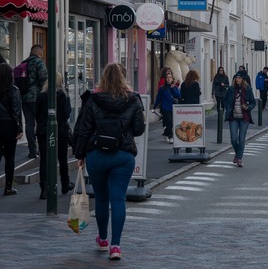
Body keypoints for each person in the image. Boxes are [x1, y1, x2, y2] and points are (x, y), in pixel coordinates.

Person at [73, 63, 145, 260]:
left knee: (102, 198)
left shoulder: (93, 98)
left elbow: (84, 128)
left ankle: (103, 239)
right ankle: (116, 246)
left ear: (103, 77)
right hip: (123, 154)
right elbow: (139, 129)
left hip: (97, 154)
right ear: (124, 77)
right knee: (118, 199)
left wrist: (80, 154)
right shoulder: (133, 99)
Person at [35, 72, 73, 199]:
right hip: (60, 131)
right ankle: (65, 183)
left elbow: (37, 113)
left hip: (43, 131)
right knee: (62, 159)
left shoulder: (41, 96)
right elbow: (67, 114)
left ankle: (44, 188)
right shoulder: (63, 96)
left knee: (44, 160)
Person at [222, 73, 256, 167]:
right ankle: (238, 154)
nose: (237, 80)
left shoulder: (247, 89)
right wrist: (228, 108)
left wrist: (247, 107)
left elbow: (253, 102)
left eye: (239, 78)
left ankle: (239, 158)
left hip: (244, 117)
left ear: (243, 79)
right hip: (233, 117)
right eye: (236, 78)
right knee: (233, 139)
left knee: (241, 139)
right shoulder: (231, 89)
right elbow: (224, 99)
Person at [19, 45, 47, 159]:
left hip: (24, 98)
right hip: (37, 99)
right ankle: (41, 150)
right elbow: (44, 80)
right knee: (41, 124)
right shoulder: (39, 62)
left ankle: (32, 151)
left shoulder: (23, 63)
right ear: (40, 53)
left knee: (29, 124)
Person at [0, 63, 23, 196]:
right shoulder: (13, 90)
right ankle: (8, 187)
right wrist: (19, 128)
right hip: (9, 126)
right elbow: (16, 111)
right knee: (10, 157)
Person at [153, 71, 181, 144]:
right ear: (165, 79)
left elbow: (178, 95)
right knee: (170, 122)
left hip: (173, 107)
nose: (169, 79)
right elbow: (158, 98)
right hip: (165, 108)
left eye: (170, 77)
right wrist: (154, 107)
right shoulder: (162, 89)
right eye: (167, 78)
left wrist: (173, 88)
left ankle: (166, 133)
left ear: (172, 79)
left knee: (171, 122)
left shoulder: (174, 87)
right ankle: (171, 136)